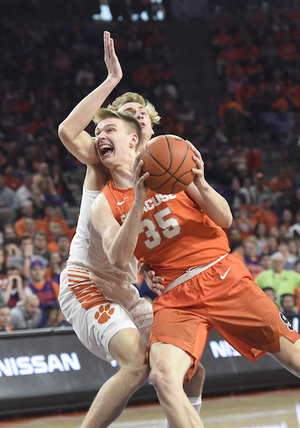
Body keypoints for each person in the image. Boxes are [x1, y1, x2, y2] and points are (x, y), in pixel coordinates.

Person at [90, 107, 300, 428]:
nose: (99, 137)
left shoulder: (167, 159)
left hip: (222, 275)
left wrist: (200, 182)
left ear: (133, 139)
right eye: (96, 134)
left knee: (295, 359)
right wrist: (137, 200)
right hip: (176, 297)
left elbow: (225, 219)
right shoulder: (104, 203)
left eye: (108, 130)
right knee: (162, 376)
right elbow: (119, 259)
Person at [57, 31, 204, 428]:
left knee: (190, 367)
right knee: (138, 363)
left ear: (147, 131)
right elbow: (69, 133)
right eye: (127, 112)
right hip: (86, 280)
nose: (136, 115)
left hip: (124, 285)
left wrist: (154, 269)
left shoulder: (163, 177)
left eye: (142, 113)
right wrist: (110, 81)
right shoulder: (101, 163)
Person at [25, 258, 61, 327]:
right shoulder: (27, 288)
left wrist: (58, 322)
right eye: (34, 269)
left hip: (54, 322)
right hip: (36, 323)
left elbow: (62, 306)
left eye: (40, 269)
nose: (38, 272)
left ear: (44, 271)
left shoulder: (53, 285)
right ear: (30, 272)